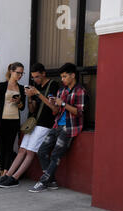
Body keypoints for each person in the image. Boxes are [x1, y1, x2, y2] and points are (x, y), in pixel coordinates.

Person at [0, 63, 59, 188]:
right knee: (22, 150)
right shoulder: (35, 86)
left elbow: (54, 109)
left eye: (37, 77)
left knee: (30, 152)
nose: (35, 79)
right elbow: (32, 108)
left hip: (45, 124)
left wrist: (38, 93)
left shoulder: (53, 85)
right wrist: (29, 98)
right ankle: (7, 176)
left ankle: (15, 178)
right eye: (33, 77)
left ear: (44, 74)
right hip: (34, 122)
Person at [29, 63, 86, 192]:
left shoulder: (79, 90)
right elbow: (55, 111)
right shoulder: (61, 90)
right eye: (61, 77)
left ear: (73, 75)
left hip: (69, 127)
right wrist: (55, 103)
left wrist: (63, 103)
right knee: (42, 151)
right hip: (57, 124)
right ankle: (52, 181)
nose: (62, 79)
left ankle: (43, 181)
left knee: (55, 155)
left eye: (65, 76)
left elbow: (79, 112)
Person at [0, 62, 26, 178]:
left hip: (14, 121)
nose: (20, 75)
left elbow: (23, 107)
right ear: (11, 71)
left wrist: (18, 102)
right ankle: (0, 171)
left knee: (10, 147)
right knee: (2, 146)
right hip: (1, 121)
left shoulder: (21, 88)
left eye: (22, 73)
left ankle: (6, 172)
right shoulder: (2, 86)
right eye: (18, 72)